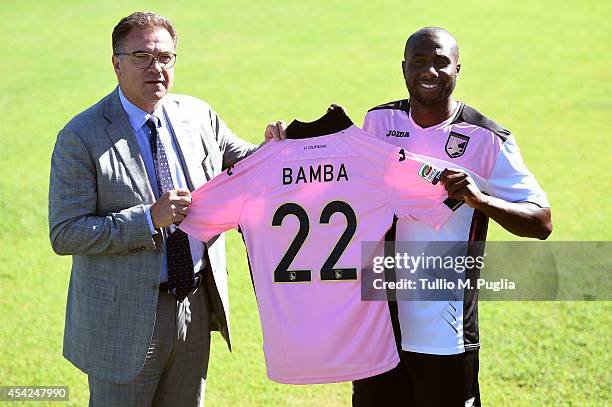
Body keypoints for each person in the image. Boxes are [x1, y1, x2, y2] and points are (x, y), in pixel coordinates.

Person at [49, 11, 271, 406]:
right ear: (116, 63)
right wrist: (149, 218)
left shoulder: (198, 116)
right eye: (142, 57)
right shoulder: (80, 136)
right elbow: (66, 232)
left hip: (194, 305)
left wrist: (280, 146)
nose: (157, 68)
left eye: (165, 57)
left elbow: (249, 165)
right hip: (124, 321)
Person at [349, 27, 553, 407]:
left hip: (444, 330)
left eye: (441, 62)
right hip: (378, 323)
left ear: (458, 69)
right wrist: (283, 140)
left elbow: (541, 221)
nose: (429, 71)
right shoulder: (377, 122)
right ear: (404, 68)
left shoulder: (487, 138)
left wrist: (479, 200)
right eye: (420, 62)